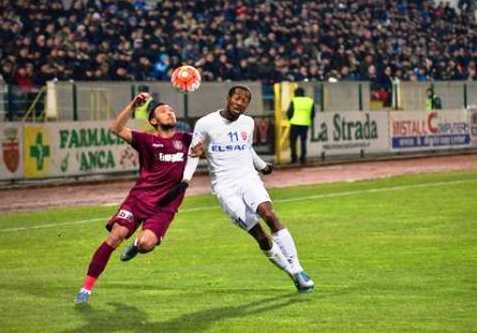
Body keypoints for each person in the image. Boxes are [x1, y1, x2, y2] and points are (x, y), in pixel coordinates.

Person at [145, 85, 315, 293]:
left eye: (245, 100)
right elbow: (194, 153)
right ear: (228, 98)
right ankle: (292, 274)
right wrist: (185, 181)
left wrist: (262, 166)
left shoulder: (248, 123)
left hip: (248, 179)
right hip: (225, 187)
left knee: (269, 214)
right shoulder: (206, 123)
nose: (240, 103)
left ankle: (298, 269)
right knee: (261, 236)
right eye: (237, 98)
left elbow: (247, 147)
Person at [74, 92, 198, 304]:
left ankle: (137, 244)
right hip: (139, 199)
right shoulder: (146, 139)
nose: (169, 112)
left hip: (164, 207)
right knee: (115, 236)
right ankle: (86, 289)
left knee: (145, 244)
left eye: (171, 110)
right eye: (163, 111)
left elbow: (214, 145)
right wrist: (133, 105)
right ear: (153, 121)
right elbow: (116, 129)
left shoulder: (187, 140)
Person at [287, 87, 315, 164]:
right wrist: (308, 120)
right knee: (303, 141)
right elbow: (313, 114)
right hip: (305, 124)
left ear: (295, 93)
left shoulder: (294, 100)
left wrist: (290, 119)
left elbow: (289, 112)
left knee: (293, 142)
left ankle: (294, 158)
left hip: (295, 124)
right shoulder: (310, 101)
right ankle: (303, 158)